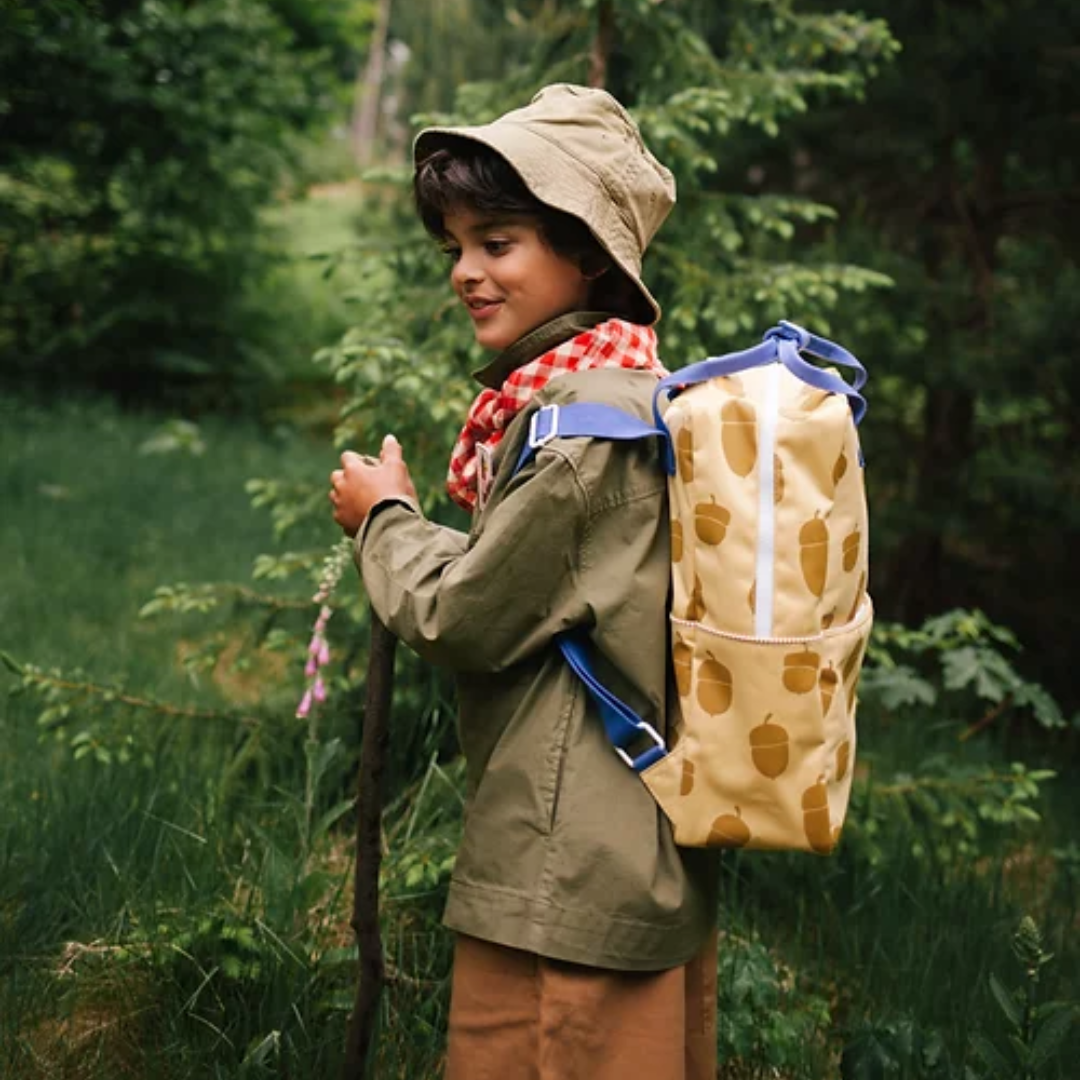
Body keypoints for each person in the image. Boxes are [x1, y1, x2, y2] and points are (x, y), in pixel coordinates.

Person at [329, 83, 720, 1080]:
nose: (465, 271)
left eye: (497, 243)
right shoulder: (644, 398)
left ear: (587, 250)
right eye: (457, 245)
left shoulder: (584, 427)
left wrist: (383, 517)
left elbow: (462, 617)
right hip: (639, 850)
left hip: (566, 876)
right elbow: (549, 592)